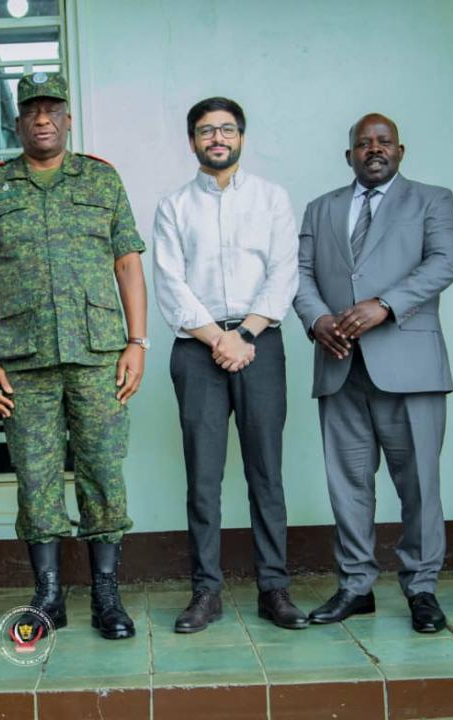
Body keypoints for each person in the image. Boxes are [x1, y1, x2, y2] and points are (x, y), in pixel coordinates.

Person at [0, 71, 148, 640]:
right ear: (17, 122)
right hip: (23, 359)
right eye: (32, 110)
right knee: (35, 475)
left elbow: (128, 265)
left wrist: (137, 343)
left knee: (102, 470)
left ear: (68, 118)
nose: (42, 118)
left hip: (98, 355)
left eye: (52, 109)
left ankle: (106, 595)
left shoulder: (102, 179)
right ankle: (47, 596)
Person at [293, 113, 453, 633]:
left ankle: (422, 588)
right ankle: (355, 585)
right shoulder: (321, 209)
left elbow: (444, 262)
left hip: (410, 367)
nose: (373, 149)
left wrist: (385, 304)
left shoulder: (432, 199)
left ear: (401, 150)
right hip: (341, 366)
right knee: (347, 484)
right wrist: (318, 319)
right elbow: (297, 274)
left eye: (383, 141)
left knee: (419, 485)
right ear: (349, 156)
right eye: (363, 144)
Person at [152, 97, 308, 633]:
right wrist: (219, 338)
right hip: (197, 350)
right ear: (192, 140)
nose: (216, 138)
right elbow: (170, 285)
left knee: (266, 472)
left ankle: (274, 589)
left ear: (241, 135)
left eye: (226, 129)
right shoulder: (173, 207)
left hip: (259, 342)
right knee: (203, 477)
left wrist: (244, 334)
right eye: (205, 131)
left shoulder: (272, 199)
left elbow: (285, 273)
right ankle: (206, 592)